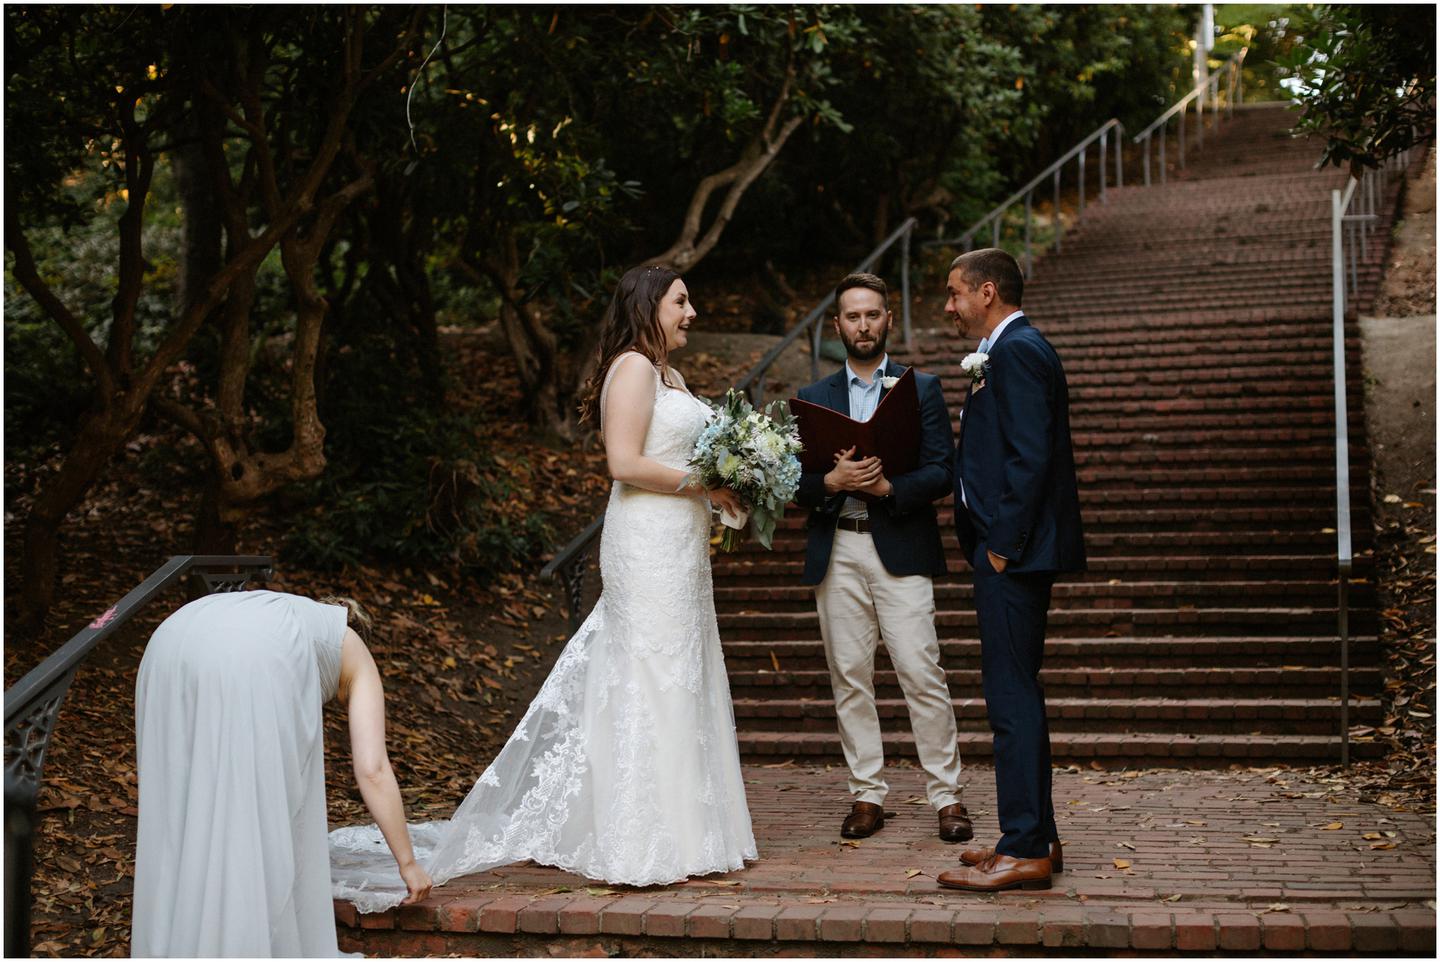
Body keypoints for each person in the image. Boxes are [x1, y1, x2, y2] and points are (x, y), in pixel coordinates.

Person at [328, 264, 757, 911]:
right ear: (649, 306)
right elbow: (624, 462)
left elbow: (684, 455)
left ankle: (690, 832)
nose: (691, 312)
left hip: (682, 545)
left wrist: (734, 479)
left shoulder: (671, 375)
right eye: (681, 301)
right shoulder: (634, 368)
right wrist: (704, 484)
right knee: (650, 676)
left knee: (684, 673)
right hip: (645, 542)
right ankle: (641, 838)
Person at [132, 590, 430, 957]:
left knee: (182, 807)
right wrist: (409, 863)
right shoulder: (351, 647)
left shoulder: (285, 611)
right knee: (253, 816)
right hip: (248, 655)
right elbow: (373, 769)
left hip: (167, 642)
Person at [792, 272, 971, 844]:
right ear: (837, 324)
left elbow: (944, 469)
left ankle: (947, 796)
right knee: (849, 677)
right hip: (837, 544)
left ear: (888, 319)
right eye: (852, 316)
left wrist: (890, 489)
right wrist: (832, 480)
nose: (863, 325)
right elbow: (794, 481)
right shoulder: (815, 398)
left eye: (872, 315)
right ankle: (867, 794)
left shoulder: (920, 389)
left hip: (899, 542)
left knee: (922, 672)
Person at [936, 248, 1085, 893]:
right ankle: (1035, 834)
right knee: (1016, 691)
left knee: (1011, 700)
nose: (947, 305)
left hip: (1014, 556)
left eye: (953, 293)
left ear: (986, 291)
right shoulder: (1010, 349)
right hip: (1009, 552)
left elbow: (1031, 459)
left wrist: (1001, 545)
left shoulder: (1019, 350)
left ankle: (1024, 848)